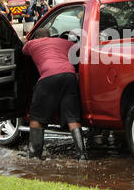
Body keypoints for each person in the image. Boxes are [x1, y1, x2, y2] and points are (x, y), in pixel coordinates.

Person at [22, 28, 87, 160]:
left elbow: (23, 50)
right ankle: (82, 155)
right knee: (72, 117)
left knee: (36, 117)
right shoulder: (63, 42)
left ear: (37, 37)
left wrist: (25, 40)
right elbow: (79, 47)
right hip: (69, 76)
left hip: (49, 77)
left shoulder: (32, 44)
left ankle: (34, 156)